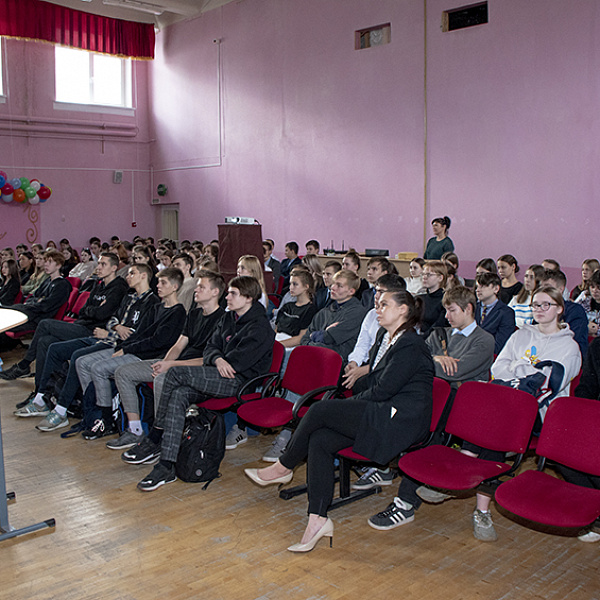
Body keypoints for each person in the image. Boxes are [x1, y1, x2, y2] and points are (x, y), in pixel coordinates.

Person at [244, 289, 434, 551]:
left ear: (403, 310)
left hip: (400, 420)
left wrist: (345, 405)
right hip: (384, 411)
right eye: (377, 304)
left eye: (384, 305)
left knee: (320, 411)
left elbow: (383, 390)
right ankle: (317, 519)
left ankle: (284, 466)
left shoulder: (411, 344)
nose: (377, 309)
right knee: (321, 440)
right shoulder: (388, 338)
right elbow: (375, 383)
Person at [122, 276, 274, 492]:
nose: (227, 297)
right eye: (228, 292)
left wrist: (220, 358)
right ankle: (166, 464)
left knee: (174, 374)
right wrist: (218, 358)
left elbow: (237, 363)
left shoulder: (260, 327)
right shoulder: (230, 317)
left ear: (248, 298)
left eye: (233, 294)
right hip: (217, 372)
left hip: (238, 382)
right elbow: (211, 347)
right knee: (179, 394)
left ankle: (156, 434)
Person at [17, 264, 159, 427]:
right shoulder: (128, 297)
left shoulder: (151, 303)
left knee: (78, 355)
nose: (127, 276)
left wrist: (111, 331)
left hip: (112, 343)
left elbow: (134, 334)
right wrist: (116, 327)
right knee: (51, 346)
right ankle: (41, 396)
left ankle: (62, 410)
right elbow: (111, 320)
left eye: (132, 273)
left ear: (143, 276)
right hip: (102, 337)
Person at [110, 270, 226, 449]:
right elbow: (179, 346)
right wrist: (164, 362)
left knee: (162, 379)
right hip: (175, 364)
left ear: (215, 292)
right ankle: (134, 430)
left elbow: (207, 359)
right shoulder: (194, 314)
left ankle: (160, 437)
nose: (196, 290)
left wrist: (170, 365)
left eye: (201, 287)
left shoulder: (222, 320)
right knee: (123, 372)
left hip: (194, 370)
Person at [74, 267, 187, 441]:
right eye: (158, 282)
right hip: (133, 348)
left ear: (175, 287)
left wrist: (126, 349)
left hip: (148, 356)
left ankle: (106, 418)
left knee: (99, 368)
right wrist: (123, 346)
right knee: (82, 362)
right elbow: (140, 333)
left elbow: (158, 342)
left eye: (163, 283)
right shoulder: (156, 307)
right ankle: (93, 412)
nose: (158, 286)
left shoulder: (178, 312)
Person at [0, 252, 129, 381]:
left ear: (114, 268)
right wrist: (93, 309)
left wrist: (92, 310)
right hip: (81, 324)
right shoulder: (99, 285)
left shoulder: (118, 287)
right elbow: (83, 310)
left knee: (45, 324)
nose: (99, 267)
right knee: (45, 341)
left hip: (93, 331)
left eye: (103, 264)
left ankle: (23, 365)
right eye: (99, 263)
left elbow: (102, 314)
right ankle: (41, 391)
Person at [343, 274, 407, 392]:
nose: (376, 296)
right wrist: (354, 362)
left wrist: (364, 370)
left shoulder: (402, 323)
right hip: (367, 363)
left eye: (381, 292)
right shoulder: (372, 314)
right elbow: (362, 344)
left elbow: (389, 361)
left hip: (382, 371)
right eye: (376, 291)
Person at [0, 250, 71, 352]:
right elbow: (33, 296)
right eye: (45, 261)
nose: (46, 264)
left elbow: (46, 305)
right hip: (31, 311)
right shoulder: (47, 281)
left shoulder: (62, 285)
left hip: (38, 318)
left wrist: (36, 302)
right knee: (11, 310)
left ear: (58, 265)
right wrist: (36, 301)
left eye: (49, 262)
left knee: (9, 315)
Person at [300, 269, 367, 363]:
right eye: (333, 284)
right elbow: (304, 339)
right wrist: (318, 337)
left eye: (339, 286)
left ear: (351, 291)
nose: (333, 287)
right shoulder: (324, 312)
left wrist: (315, 337)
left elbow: (330, 337)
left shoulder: (357, 312)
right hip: (314, 355)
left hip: (336, 362)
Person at [542, 269, 588, 359]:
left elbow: (571, 341)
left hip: (568, 359)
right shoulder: (540, 310)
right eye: (541, 288)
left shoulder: (575, 311)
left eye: (548, 287)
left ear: (561, 289)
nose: (543, 291)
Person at [474, 272, 516, 354]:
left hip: (491, 356)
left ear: (496, 289)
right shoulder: (472, 308)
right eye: (477, 286)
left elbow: (500, 345)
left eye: (483, 286)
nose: (477, 290)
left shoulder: (506, 313)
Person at [274, 270, 316, 348]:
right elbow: (276, 330)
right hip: (277, 341)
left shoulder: (310, 310)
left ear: (306, 286)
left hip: (291, 347)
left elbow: (300, 338)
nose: (291, 287)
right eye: (290, 284)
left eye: (295, 284)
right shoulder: (287, 306)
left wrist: (276, 345)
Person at [418, 260, 448, 338]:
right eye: (423, 274)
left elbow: (438, 326)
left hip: (434, 339)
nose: (424, 277)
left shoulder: (445, 300)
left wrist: (421, 339)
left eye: (428, 275)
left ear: (440, 278)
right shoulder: (420, 298)